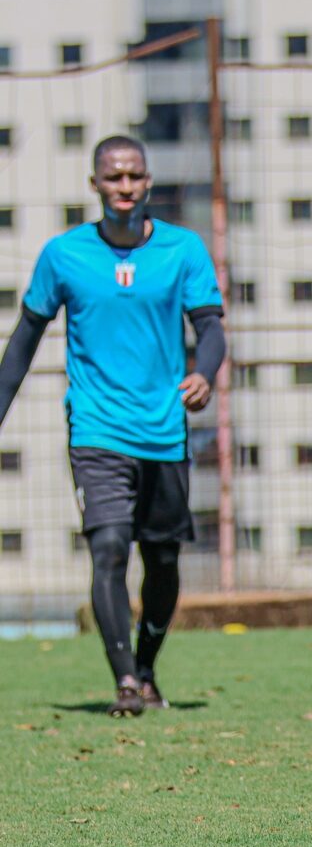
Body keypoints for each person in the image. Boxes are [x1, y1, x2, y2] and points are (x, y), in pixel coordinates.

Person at [0, 135, 226, 716]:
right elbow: (24, 340)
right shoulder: (64, 255)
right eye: (113, 177)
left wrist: (204, 373)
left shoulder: (183, 250)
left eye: (134, 176)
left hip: (164, 430)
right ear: (94, 185)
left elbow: (212, 329)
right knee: (107, 550)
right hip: (96, 429)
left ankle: (147, 667)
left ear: (148, 182)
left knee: (164, 561)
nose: (124, 187)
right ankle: (125, 681)